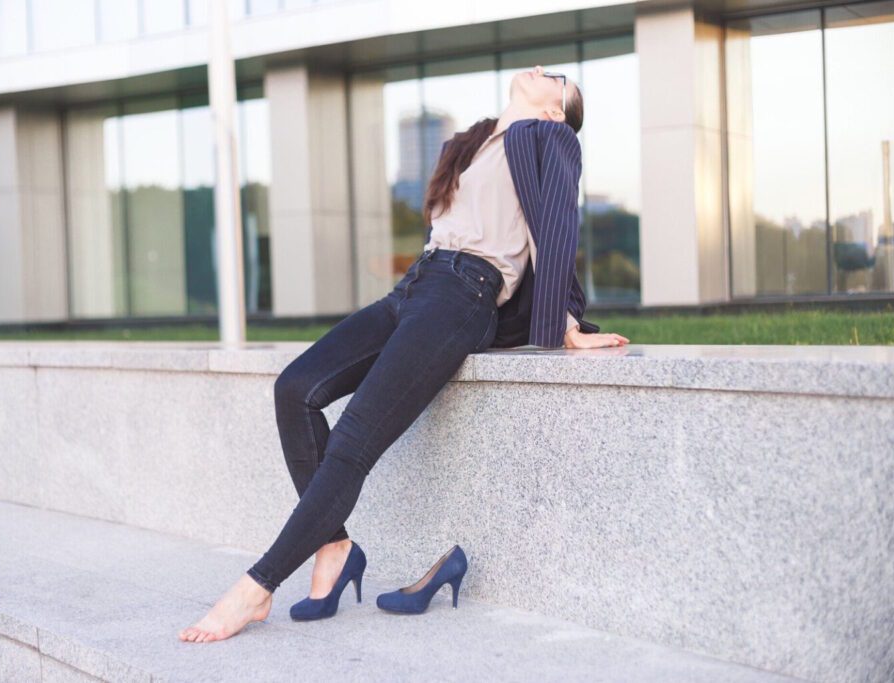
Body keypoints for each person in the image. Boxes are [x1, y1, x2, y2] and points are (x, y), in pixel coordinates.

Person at [179, 64, 630, 643]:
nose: (543, 71)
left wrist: (566, 322)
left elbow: (556, 227)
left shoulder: (548, 139)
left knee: (354, 437)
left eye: (558, 79)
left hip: (465, 294)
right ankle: (336, 546)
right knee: (294, 389)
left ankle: (255, 587)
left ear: (555, 109)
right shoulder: (474, 142)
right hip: (415, 286)